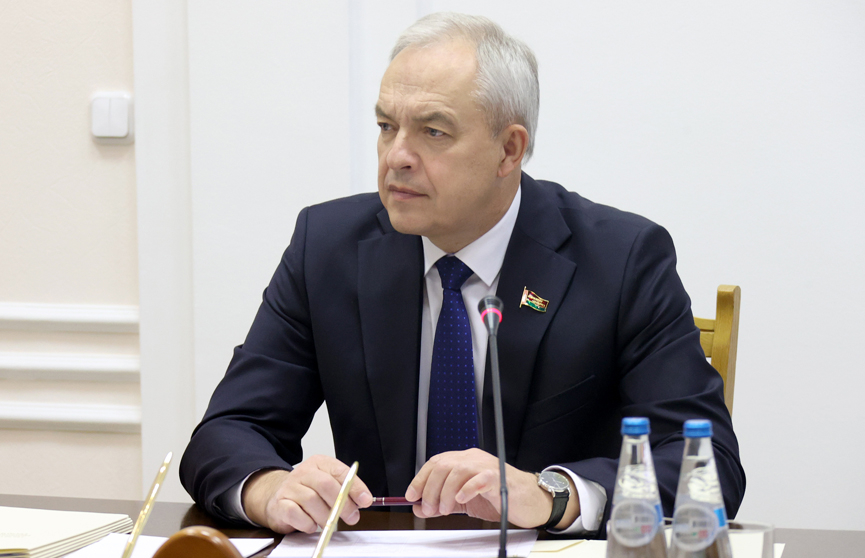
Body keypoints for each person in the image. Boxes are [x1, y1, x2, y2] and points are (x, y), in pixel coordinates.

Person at [179, 12, 745, 536]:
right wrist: (268, 488)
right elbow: (227, 431)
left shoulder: (621, 260)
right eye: (386, 126)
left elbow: (707, 466)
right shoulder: (327, 248)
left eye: (434, 132)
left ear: (509, 150)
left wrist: (554, 494)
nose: (396, 156)